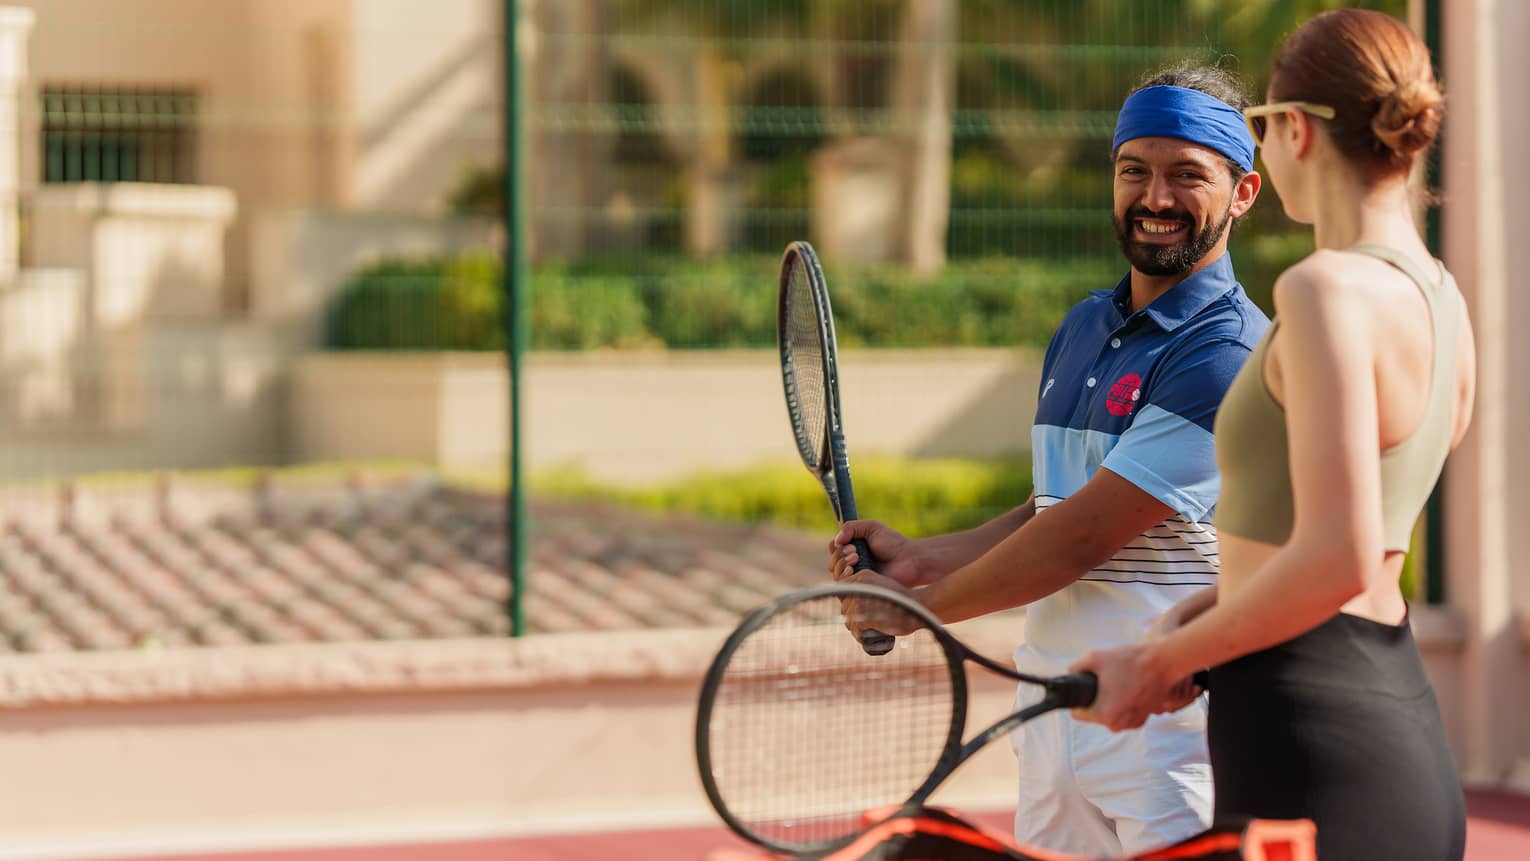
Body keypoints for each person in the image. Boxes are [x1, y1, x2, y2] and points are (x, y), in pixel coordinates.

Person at [830, 65, 1269, 856]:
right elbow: (1054, 509)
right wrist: (921, 559)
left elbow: (1081, 541)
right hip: (1054, 712)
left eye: (1186, 175)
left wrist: (919, 612)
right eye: (1135, 169)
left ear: (1242, 192)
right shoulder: (1082, 326)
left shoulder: (1229, 353)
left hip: (1173, 730)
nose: (1156, 198)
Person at [1070, 10, 1474, 861]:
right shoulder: (1441, 299)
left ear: (1292, 130)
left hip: (1313, 747)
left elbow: (1338, 557)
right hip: (1384, 721)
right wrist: (1197, 615)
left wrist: (1161, 659)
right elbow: (1354, 544)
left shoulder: (1326, 290)